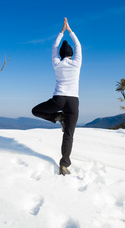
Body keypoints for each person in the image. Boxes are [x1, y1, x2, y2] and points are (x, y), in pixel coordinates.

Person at [32, 17, 82, 176]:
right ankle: (64, 165)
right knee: (69, 135)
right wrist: (70, 31)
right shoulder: (76, 63)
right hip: (73, 101)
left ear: (60, 54)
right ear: (72, 54)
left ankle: (57, 118)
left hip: (59, 99)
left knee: (36, 110)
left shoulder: (57, 63)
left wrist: (61, 32)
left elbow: (54, 46)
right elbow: (78, 45)